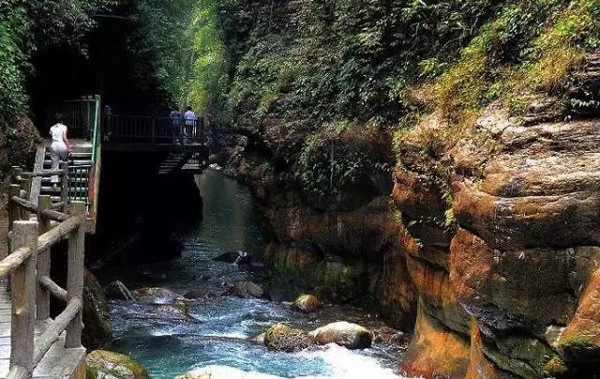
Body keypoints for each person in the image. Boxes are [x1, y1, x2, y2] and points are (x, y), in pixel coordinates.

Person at [49, 113, 70, 189]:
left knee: (54, 164)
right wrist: (69, 147)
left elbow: (51, 136)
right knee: (65, 160)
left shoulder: (52, 128)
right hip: (62, 145)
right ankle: (66, 176)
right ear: (62, 121)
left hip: (54, 145)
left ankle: (54, 183)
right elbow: (64, 138)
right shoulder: (64, 127)